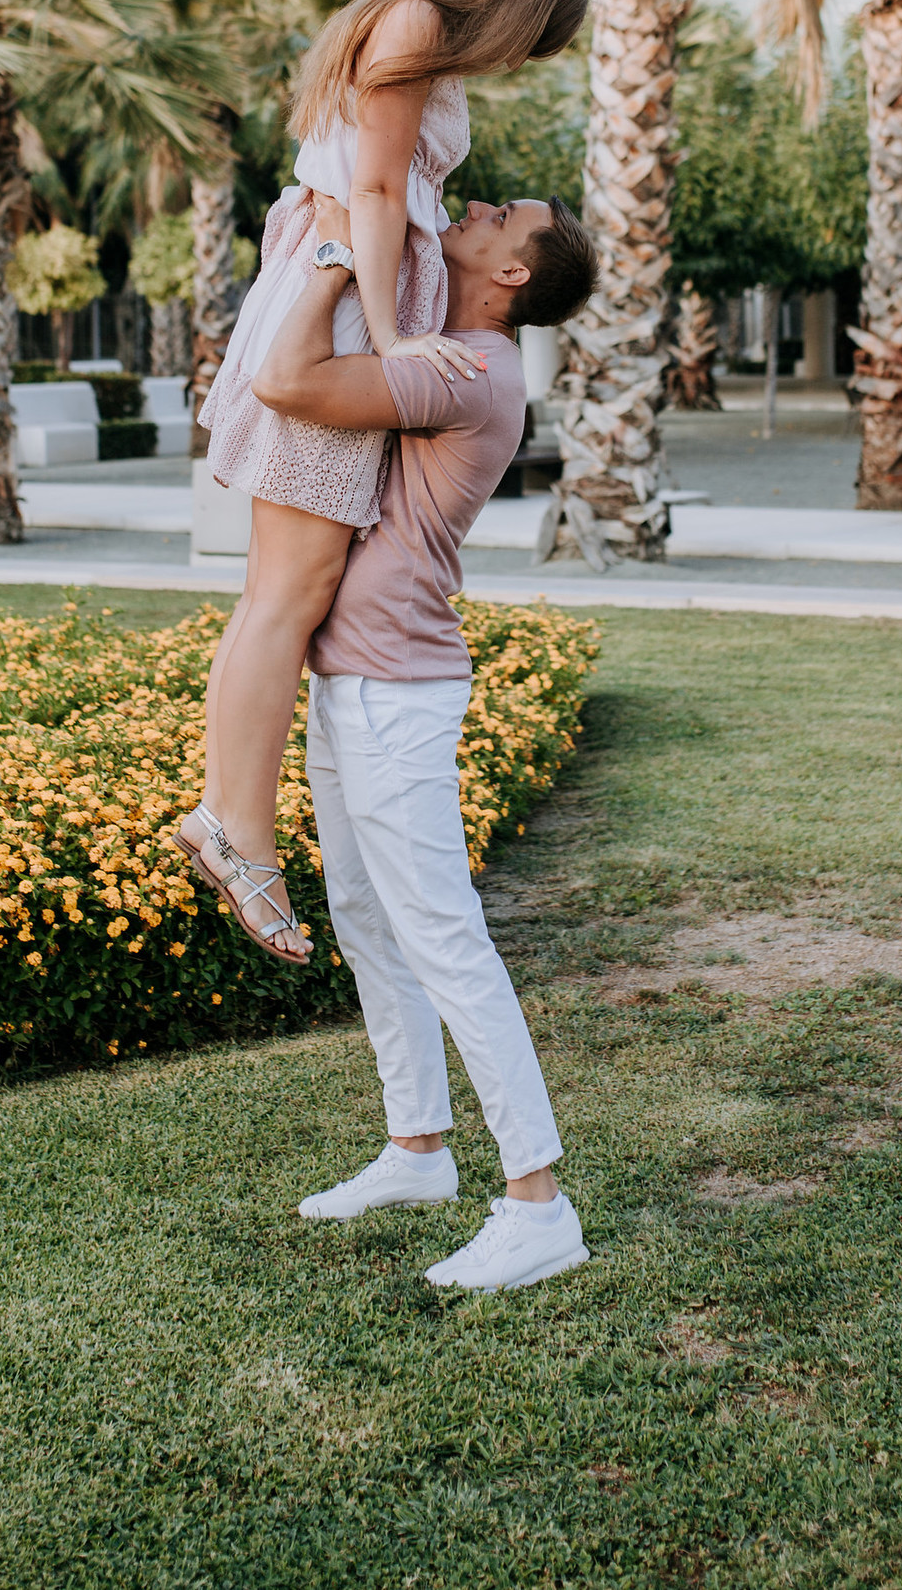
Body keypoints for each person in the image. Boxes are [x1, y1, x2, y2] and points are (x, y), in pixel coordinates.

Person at [180, 0, 588, 964]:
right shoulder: (414, 24)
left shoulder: (420, 33)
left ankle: (228, 822)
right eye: (530, 41)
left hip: (349, 287)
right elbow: (371, 194)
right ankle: (242, 839)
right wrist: (394, 324)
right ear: (514, 5)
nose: (513, 60)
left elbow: (381, 194)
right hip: (353, 303)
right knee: (290, 590)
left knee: (279, 588)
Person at [248, 184, 600, 1293]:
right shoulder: (447, 348)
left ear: (509, 276)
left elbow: (286, 380)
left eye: (503, 218)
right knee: (365, 914)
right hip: (355, 678)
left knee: (444, 936)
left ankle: (538, 1204)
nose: (482, 206)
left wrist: (333, 257)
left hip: (397, 692)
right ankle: (417, 1150)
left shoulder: (467, 373)